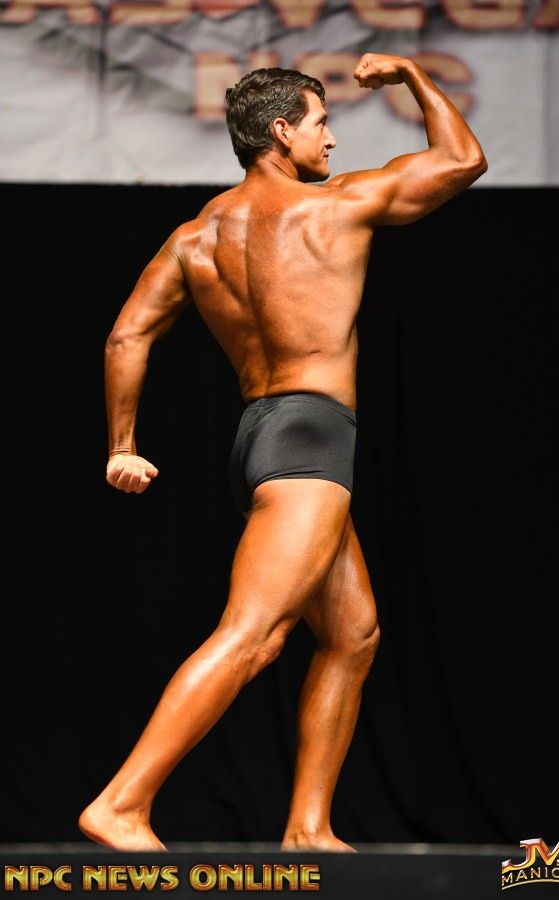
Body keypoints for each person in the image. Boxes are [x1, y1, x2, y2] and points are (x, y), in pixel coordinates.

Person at [79, 53, 487, 852]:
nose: (331, 140)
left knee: (353, 634)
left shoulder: (194, 238)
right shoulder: (336, 207)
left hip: (260, 437)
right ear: (280, 132)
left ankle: (308, 827)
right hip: (310, 436)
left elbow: (127, 336)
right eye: (321, 123)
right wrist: (411, 74)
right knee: (254, 634)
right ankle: (122, 803)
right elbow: (462, 159)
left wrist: (122, 444)